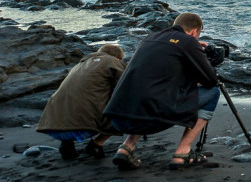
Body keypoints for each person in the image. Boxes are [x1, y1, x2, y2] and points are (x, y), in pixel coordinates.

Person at [103, 12, 219, 171]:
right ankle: (182, 153)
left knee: (148, 90)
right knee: (213, 92)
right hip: (151, 118)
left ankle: (126, 147)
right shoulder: (188, 42)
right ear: (194, 32)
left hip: (118, 117)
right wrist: (200, 56)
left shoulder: (148, 39)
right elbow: (211, 80)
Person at [36, 44, 127, 160]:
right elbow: (124, 89)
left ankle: (67, 144)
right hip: (82, 130)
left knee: (74, 101)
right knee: (124, 107)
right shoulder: (113, 62)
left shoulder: (79, 65)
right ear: (118, 58)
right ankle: (97, 144)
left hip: (53, 127)